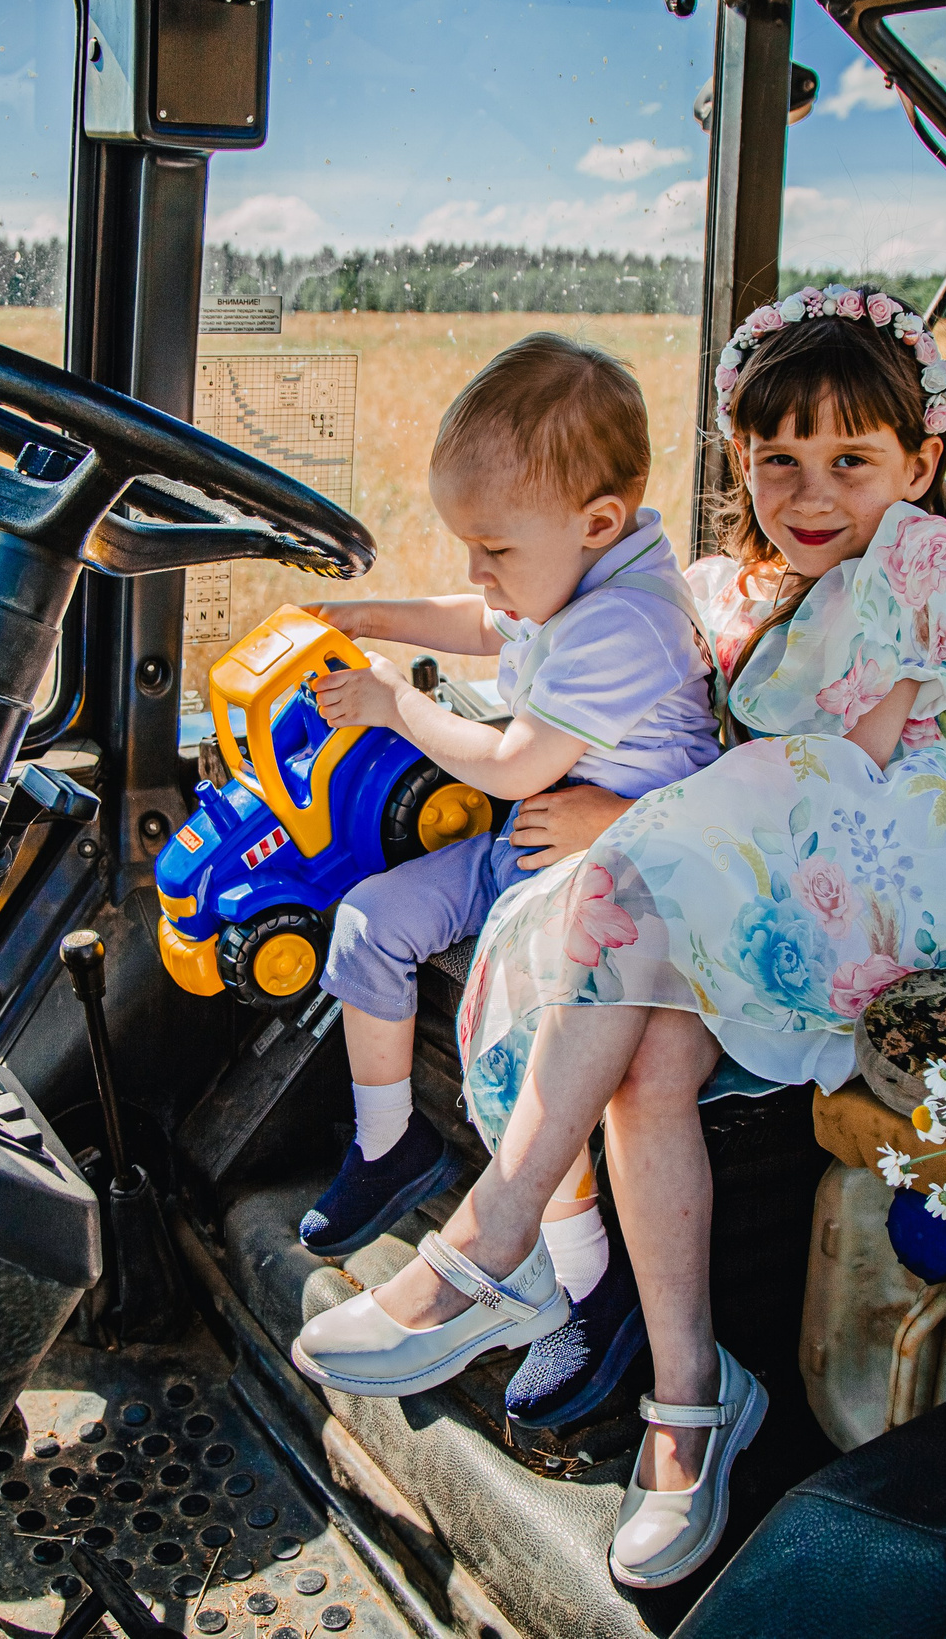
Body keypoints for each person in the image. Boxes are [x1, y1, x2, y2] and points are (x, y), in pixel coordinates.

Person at [292, 285, 946, 1589]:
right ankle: (691, 1398)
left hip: (886, 862)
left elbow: (834, 772)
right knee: (643, 1061)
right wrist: (395, 630)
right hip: (739, 862)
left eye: (852, 460)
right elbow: (660, 712)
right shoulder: (724, 583)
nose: (810, 489)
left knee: (627, 895)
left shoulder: (917, 572)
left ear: (920, 463)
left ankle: (491, 1243)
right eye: (776, 457)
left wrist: (639, 820)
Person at [293, 331, 722, 1431]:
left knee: (526, 1044)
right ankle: (390, 1144)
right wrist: (368, 617)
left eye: (492, 546)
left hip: (618, 889)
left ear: (597, 523)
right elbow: (484, 620)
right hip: (532, 850)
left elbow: (509, 761)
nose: (480, 572)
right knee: (369, 922)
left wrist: (394, 701)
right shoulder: (562, 575)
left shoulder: (625, 616)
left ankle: (581, 1287)